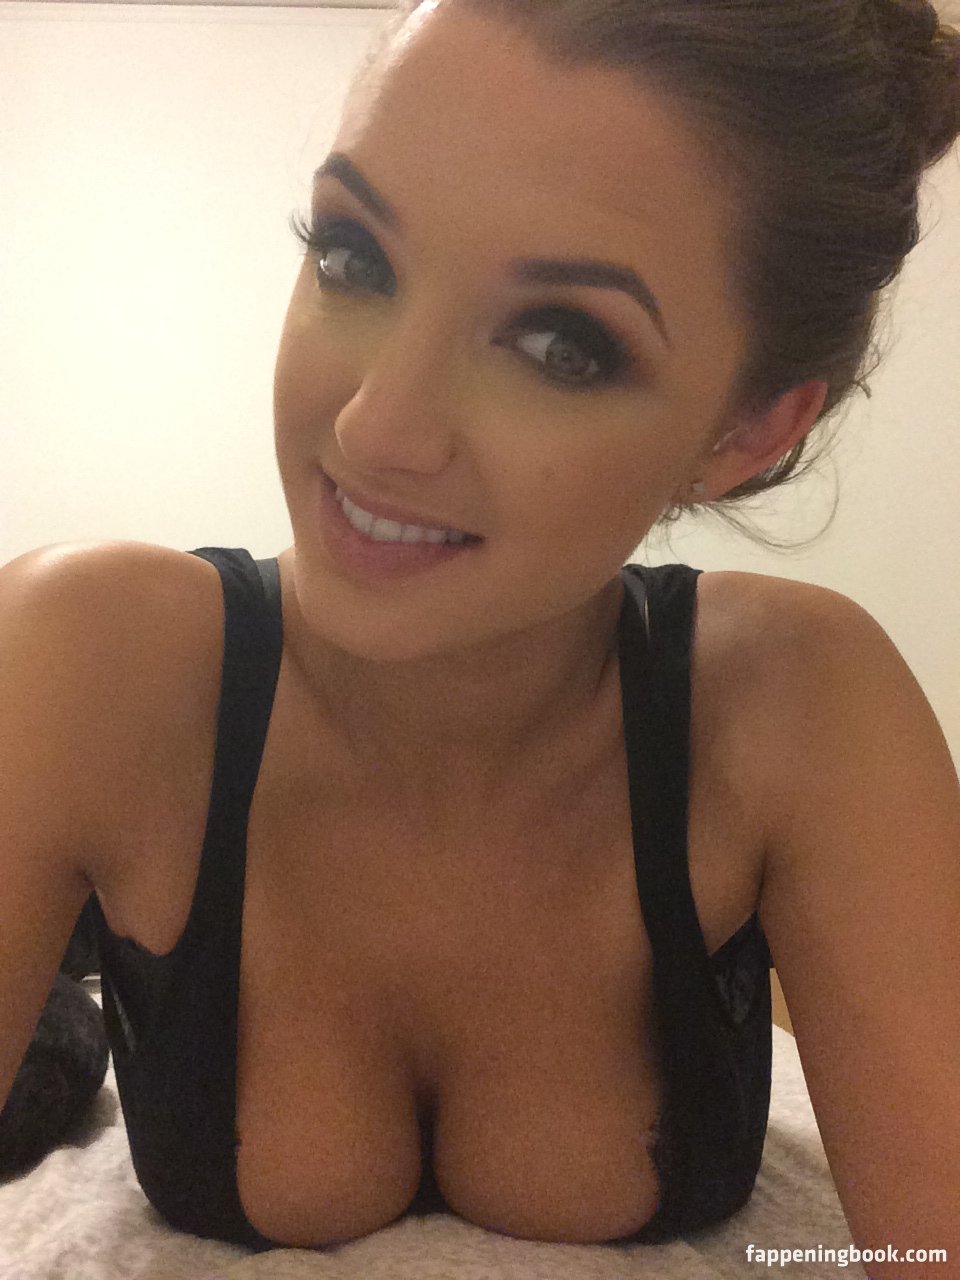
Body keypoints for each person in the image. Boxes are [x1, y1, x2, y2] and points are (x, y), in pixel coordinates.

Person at [1, 0, 959, 1273]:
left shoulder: (798, 705)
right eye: (354, 256)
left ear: (745, 432)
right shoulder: (85, 659)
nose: (377, 428)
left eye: (561, 343)